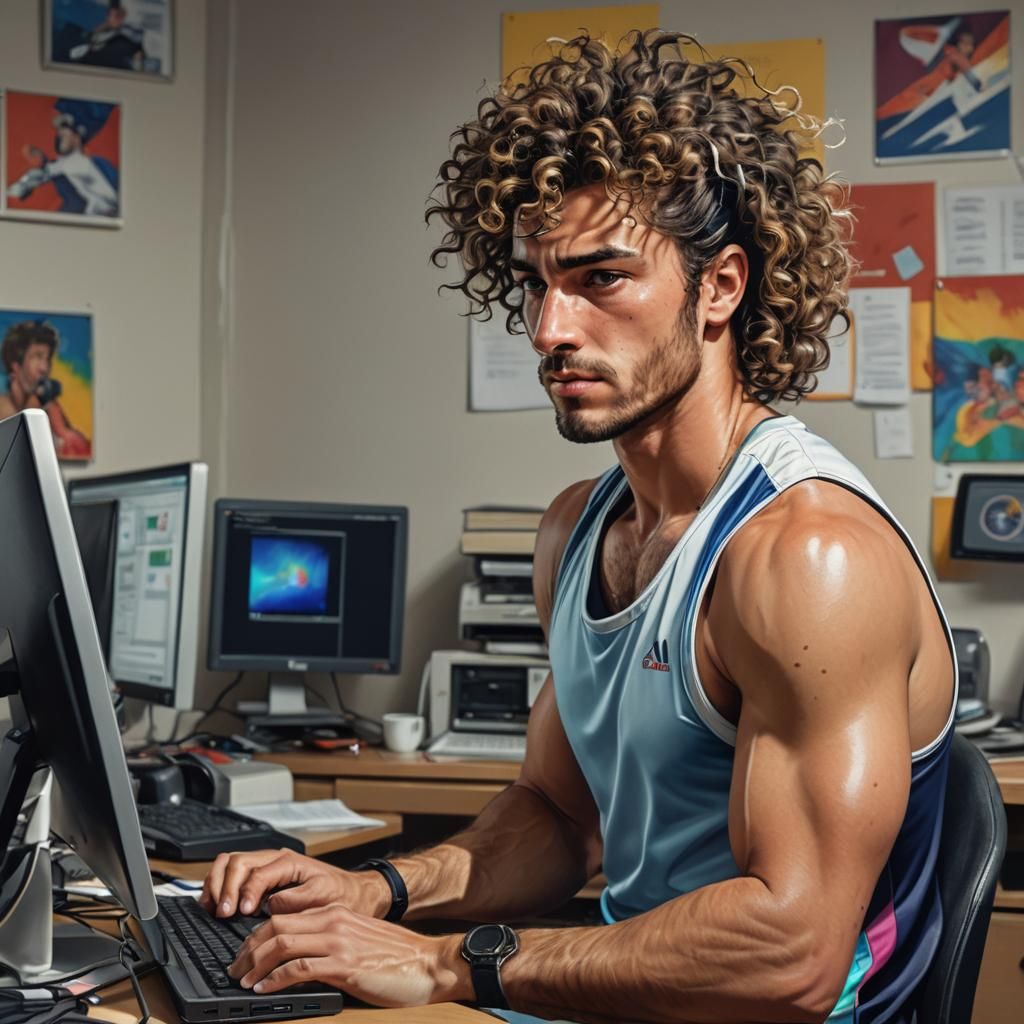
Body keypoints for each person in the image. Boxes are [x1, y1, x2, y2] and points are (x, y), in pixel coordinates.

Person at [202, 31, 955, 1023]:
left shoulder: (805, 557)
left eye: (601, 279)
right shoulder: (576, 531)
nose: (551, 329)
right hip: (621, 996)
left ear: (720, 287)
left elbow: (792, 953)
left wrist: (444, 963)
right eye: (536, 283)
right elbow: (560, 818)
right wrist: (374, 891)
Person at [6, 99, 119, 218]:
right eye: (59, 130)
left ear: (78, 134)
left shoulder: (90, 165)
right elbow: (38, 176)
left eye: (65, 128)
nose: (59, 133)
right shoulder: (66, 165)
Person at [0, 321, 91, 458]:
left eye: (47, 359)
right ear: (16, 364)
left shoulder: (50, 409)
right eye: (37, 357)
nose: (44, 368)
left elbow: (77, 446)